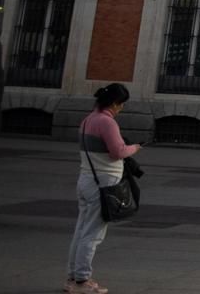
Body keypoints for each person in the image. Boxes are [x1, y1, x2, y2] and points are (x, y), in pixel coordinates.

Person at [68, 83, 142, 294]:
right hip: (102, 183)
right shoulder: (106, 123)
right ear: (115, 103)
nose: (122, 108)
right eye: (122, 104)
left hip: (85, 179)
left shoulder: (87, 120)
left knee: (81, 230)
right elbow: (117, 151)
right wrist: (135, 148)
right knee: (93, 233)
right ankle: (82, 280)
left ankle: (72, 277)